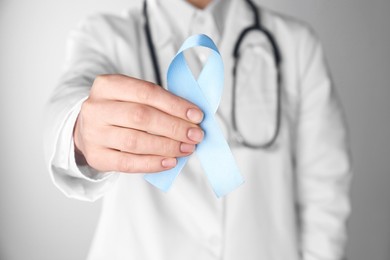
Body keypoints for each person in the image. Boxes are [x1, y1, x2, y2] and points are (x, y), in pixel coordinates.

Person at [43, 0, 353, 259]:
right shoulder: (104, 36)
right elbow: (70, 94)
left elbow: (324, 193)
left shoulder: (295, 45)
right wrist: (80, 131)